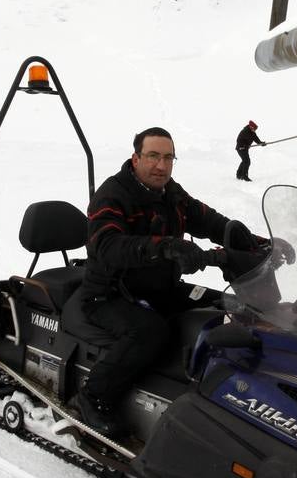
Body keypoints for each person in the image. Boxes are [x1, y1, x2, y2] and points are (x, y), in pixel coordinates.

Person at [70, 126, 265, 437]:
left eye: (168, 158)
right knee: (150, 332)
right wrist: (166, 247)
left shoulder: (170, 193)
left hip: (161, 288)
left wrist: (256, 243)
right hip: (109, 294)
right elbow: (107, 246)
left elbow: (207, 219)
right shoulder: (113, 194)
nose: (161, 165)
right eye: (153, 157)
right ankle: (92, 397)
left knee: (225, 308)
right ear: (135, 158)